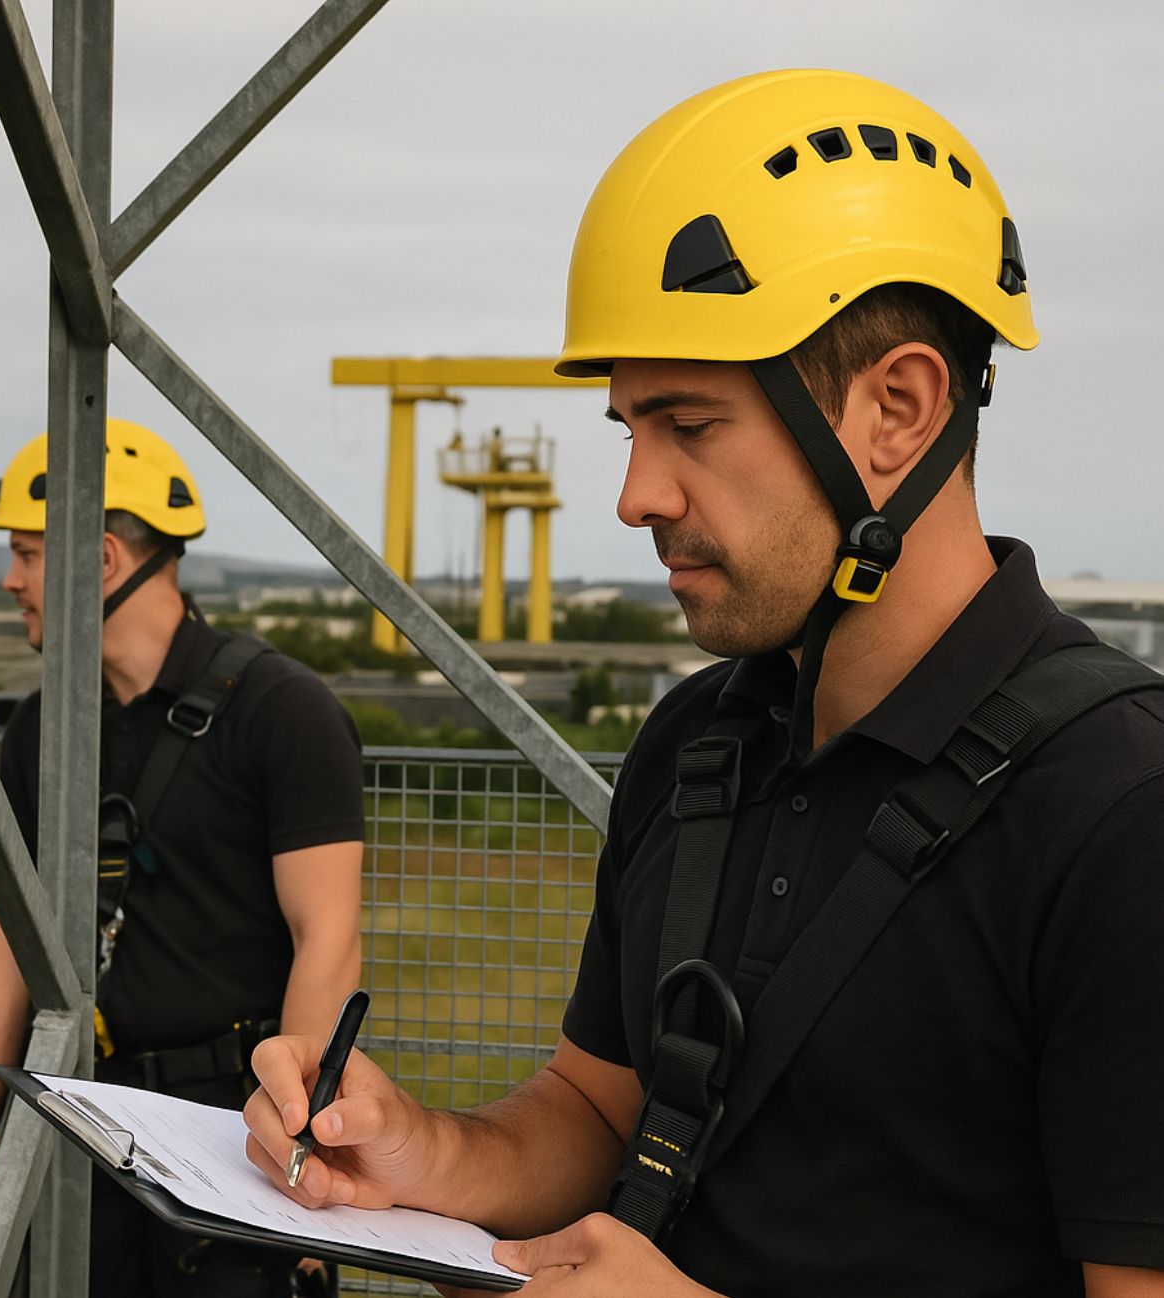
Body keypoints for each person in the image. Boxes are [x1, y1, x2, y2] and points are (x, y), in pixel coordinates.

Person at [241, 70, 1164, 1297]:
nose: (636, 495)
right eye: (630, 429)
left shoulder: (1117, 809)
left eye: (690, 422)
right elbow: (599, 1103)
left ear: (900, 408)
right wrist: (428, 1153)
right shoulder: (699, 741)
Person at [0, 418, 365, 1297]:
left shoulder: (281, 712)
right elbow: (3, 933)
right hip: (73, 1119)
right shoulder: (43, 728)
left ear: (100, 560)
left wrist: (296, 1153)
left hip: (229, 1136)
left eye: (27, 555)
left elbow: (326, 935)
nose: (9, 579)